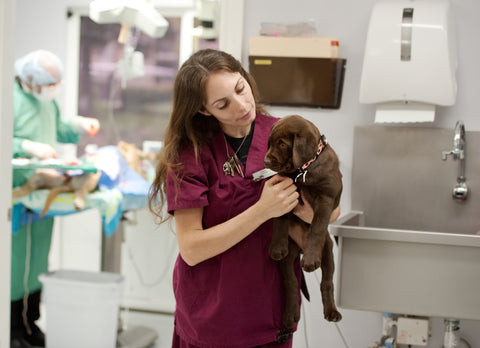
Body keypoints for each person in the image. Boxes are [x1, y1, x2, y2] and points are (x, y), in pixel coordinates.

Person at [149, 49, 340, 348]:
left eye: (241, 88)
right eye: (223, 104)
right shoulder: (191, 154)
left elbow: (333, 209)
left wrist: (306, 213)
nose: (241, 106)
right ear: (203, 110)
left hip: (271, 313)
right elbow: (191, 249)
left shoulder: (286, 132)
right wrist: (262, 210)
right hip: (212, 319)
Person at [11, 49, 100, 348]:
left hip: (43, 192)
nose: (52, 90)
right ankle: (11, 328)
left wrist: (78, 124)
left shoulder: (45, 102)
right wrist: (27, 146)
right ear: (30, 81)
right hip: (16, 194)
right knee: (15, 262)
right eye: (49, 84)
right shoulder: (8, 97)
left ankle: (30, 322)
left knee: (38, 259)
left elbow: (58, 128)